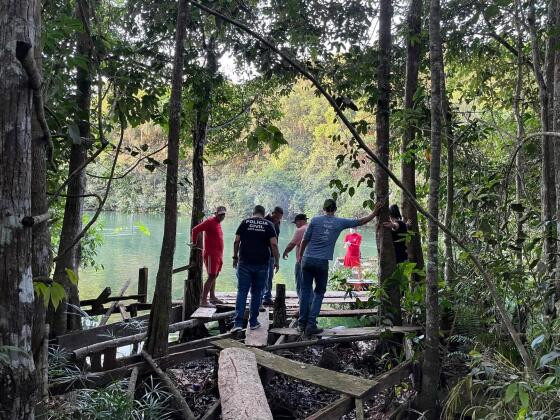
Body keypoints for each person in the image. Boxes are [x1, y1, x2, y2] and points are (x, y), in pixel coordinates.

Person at [298, 198, 384, 337]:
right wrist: (374, 213)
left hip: (307, 259)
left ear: (324, 208)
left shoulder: (314, 220)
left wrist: (300, 257)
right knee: (319, 292)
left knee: (305, 291)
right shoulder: (339, 222)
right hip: (321, 262)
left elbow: (304, 240)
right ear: (335, 209)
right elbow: (360, 221)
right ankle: (311, 325)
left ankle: (301, 324)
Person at [231, 205, 280, 332]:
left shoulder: (245, 222)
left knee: (242, 292)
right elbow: (274, 244)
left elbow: (236, 241)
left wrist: (235, 257)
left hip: (244, 263)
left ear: (253, 213)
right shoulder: (269, 224)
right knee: (256, 293)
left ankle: (237, 324)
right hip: (262, 264)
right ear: (263, 214)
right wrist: (277, 261)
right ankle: (253, 322)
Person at [191, 206, 227, 307]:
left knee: (215, 275)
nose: (222, 216)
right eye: (220, 214)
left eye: (223, 214)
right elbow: (195, 230)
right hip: (211, 254)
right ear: (216, 214)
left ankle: (212, 296)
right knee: (211, 276)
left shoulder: (218, 223)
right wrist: (194, 242)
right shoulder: (210, 221)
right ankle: (203, 301)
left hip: (218, 255)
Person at [282, 214, 308, 301]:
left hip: (301, 261)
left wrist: (285, 252)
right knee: (308, 285)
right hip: (310, 260)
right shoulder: (311, 228)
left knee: (300, 285)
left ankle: (302, 305)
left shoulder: (301, 230)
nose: (295, 225)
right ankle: (309, 303)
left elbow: (292, 244)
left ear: (300, 221)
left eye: (296, 223)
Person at [262, 206, 283, 305]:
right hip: (263, 253)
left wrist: (276, 254)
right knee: (263, 275)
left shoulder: (277, 223)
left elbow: (276, 240)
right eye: (276, 217)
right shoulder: (265, 220)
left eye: (279, 218)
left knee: (270, 275)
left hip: (272, 254)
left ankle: (267, 296)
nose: (277, 220)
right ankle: (261, 296)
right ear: (272, 213)